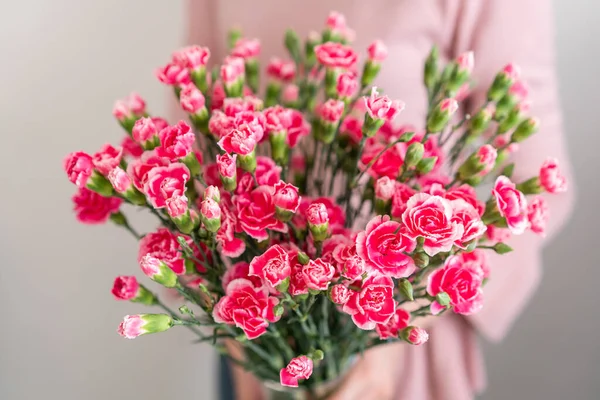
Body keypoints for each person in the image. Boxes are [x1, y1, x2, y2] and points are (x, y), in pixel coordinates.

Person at [182, 0, 575, 398]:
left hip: (395, 359)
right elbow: (191, 156)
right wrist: (239, 333)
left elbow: (540, 181)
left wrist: (393, 325)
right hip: (256, 342)